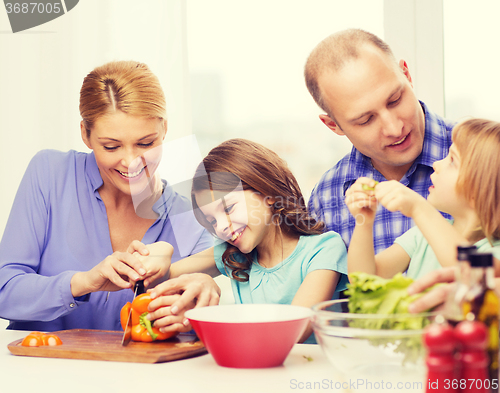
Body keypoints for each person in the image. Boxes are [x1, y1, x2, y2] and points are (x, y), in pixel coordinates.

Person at [0, 60, 215, 332]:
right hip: (38, 369)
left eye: (146, 143)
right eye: (111, 146)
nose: (131, 162)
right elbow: (4, 290)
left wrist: (195, 308)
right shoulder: (50, 174)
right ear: (85, 135)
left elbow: (194, 317)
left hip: (140, 374)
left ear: (164, 130)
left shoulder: (191, 219)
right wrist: (84, 282)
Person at [146, 139, 349, 343]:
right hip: (256, 370)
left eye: (228, 208)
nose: (221, 227)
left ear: (268, 193)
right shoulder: (233, 255)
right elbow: (156, 280)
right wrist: (162, 254)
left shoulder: (324, 250)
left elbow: (295, 330)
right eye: (212, 221)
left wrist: (205, 320)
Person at [304, 28, 455, 254]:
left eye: (395, 100)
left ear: (407, 75)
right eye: (366, 120)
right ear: (333, 126)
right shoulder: (325, 199)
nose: (394, 129)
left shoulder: (486, 156)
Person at [345, 118, 500, 279]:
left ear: (481, 188)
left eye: (452, 161)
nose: (437, 164)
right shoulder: (422, 236)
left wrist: (420, 208)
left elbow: (473, 273)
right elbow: (364, 278)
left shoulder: (495, 252)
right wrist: (364, 222)